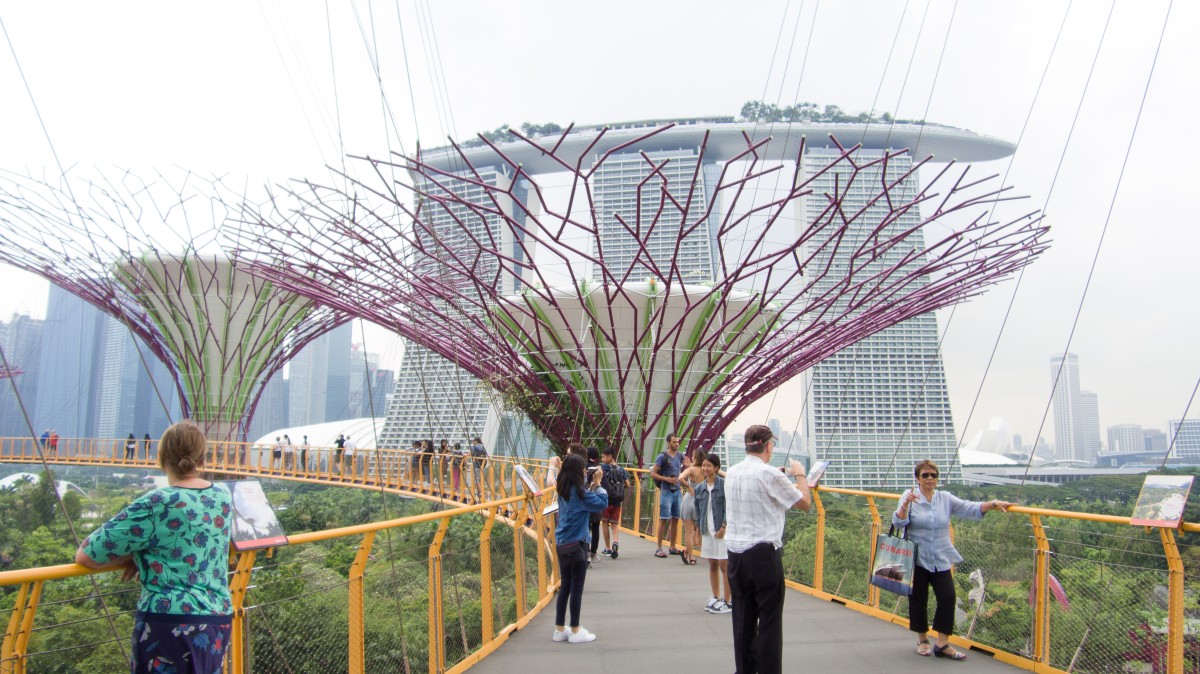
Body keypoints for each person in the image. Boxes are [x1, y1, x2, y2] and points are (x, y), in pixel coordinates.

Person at [75, 420, 233, 673]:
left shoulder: (158, 502)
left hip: (168, 622)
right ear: (202, 457)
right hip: (217, 620)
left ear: (161, 457)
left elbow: (86, 555)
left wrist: (134, 557)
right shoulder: (222, 496)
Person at [893, 460, 1012, 660]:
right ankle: (923, 640)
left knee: (948, 597)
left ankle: (942, 644)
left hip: (940, 557)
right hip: (917, 558)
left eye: (933, 475)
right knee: (918, 599)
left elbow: (969, 508)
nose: (930, 479)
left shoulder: (945, 498)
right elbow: (898, 521)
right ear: (917, 478)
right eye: (925, 475)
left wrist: (992, 504)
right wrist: (905, 504)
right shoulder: (909, 496)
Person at [724, 424, 811, 674]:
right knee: (770, 622)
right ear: (769, 446)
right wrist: (800, 476)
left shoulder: (733, 472)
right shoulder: (771, 475)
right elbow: (804, 503)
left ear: (746, 445)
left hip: (735, 555)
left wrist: (779, 475)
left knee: (742, 619)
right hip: (763, 555)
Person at [551, 453, 607, 644]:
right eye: (583, 469)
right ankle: (575, 629)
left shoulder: (563, 489)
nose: (585, 471)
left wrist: (590, 485)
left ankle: (559, 628)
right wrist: (598, 483)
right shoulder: (580, 493)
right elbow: (602, 503)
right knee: (577, 588)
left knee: (565, 585)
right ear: (577, 471)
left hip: (561, 543)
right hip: (577, 545)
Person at [694, 453, 731, 614]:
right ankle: (716, 596)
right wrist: (697, 531)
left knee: (725, 566)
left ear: (716, 468)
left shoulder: (724, 485)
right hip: (707, 530)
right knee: (712, 565)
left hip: (720, 531)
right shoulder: (699, 488)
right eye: (703, 465)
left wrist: (723, 527)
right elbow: (697, 510)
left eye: (709, 465)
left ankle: (727, 600)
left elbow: (728, 508)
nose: (705, 468)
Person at [650, 433, 685, 558]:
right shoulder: (662, 457)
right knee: (664, 519)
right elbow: (653, 473)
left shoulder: (680, 456)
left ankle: (672, 546)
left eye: (678, 442)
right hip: (666, 491)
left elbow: (687, 467)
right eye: (674, 442)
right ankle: (659, 548)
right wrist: (667, 479)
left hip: (677, 491)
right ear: (668, 443)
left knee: (675, 519)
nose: (677, 444)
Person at [598, 446, 627, 560]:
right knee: (614, 524)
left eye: (604, 456)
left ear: (610, 456)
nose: (602, 458)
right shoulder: (621, 469)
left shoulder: (603, 468)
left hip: (606, 499)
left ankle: (608, 547)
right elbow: (627, 483)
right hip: (617, 500)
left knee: (605, 522)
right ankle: (615, 542)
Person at [586, 447, 603, 562]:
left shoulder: (584, 467)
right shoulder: (599, 468)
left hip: (586, 500)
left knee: (585, 527)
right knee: (596, 526)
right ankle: (593, 553)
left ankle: (585, 552)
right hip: (597, 500)